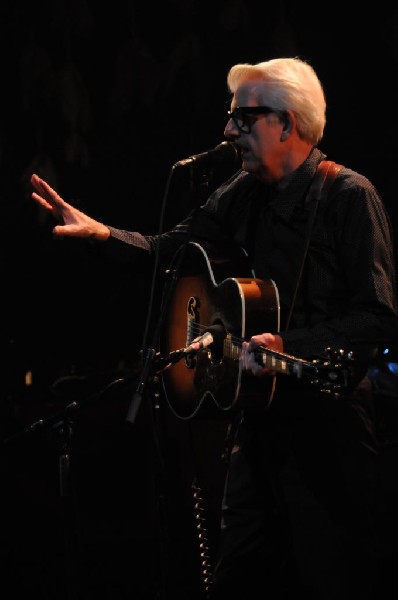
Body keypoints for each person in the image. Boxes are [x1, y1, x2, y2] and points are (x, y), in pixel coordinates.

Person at [30, 57, 398, 600]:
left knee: (331, 578)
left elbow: (377, 316)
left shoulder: (348, 196)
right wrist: (103, 234)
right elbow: (170, 253)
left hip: (331, 435)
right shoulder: (242, 192)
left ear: (286, 123)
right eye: (230, 118)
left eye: (242, 118)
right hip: (259, 428)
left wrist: (287, 345)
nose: (228, 131)